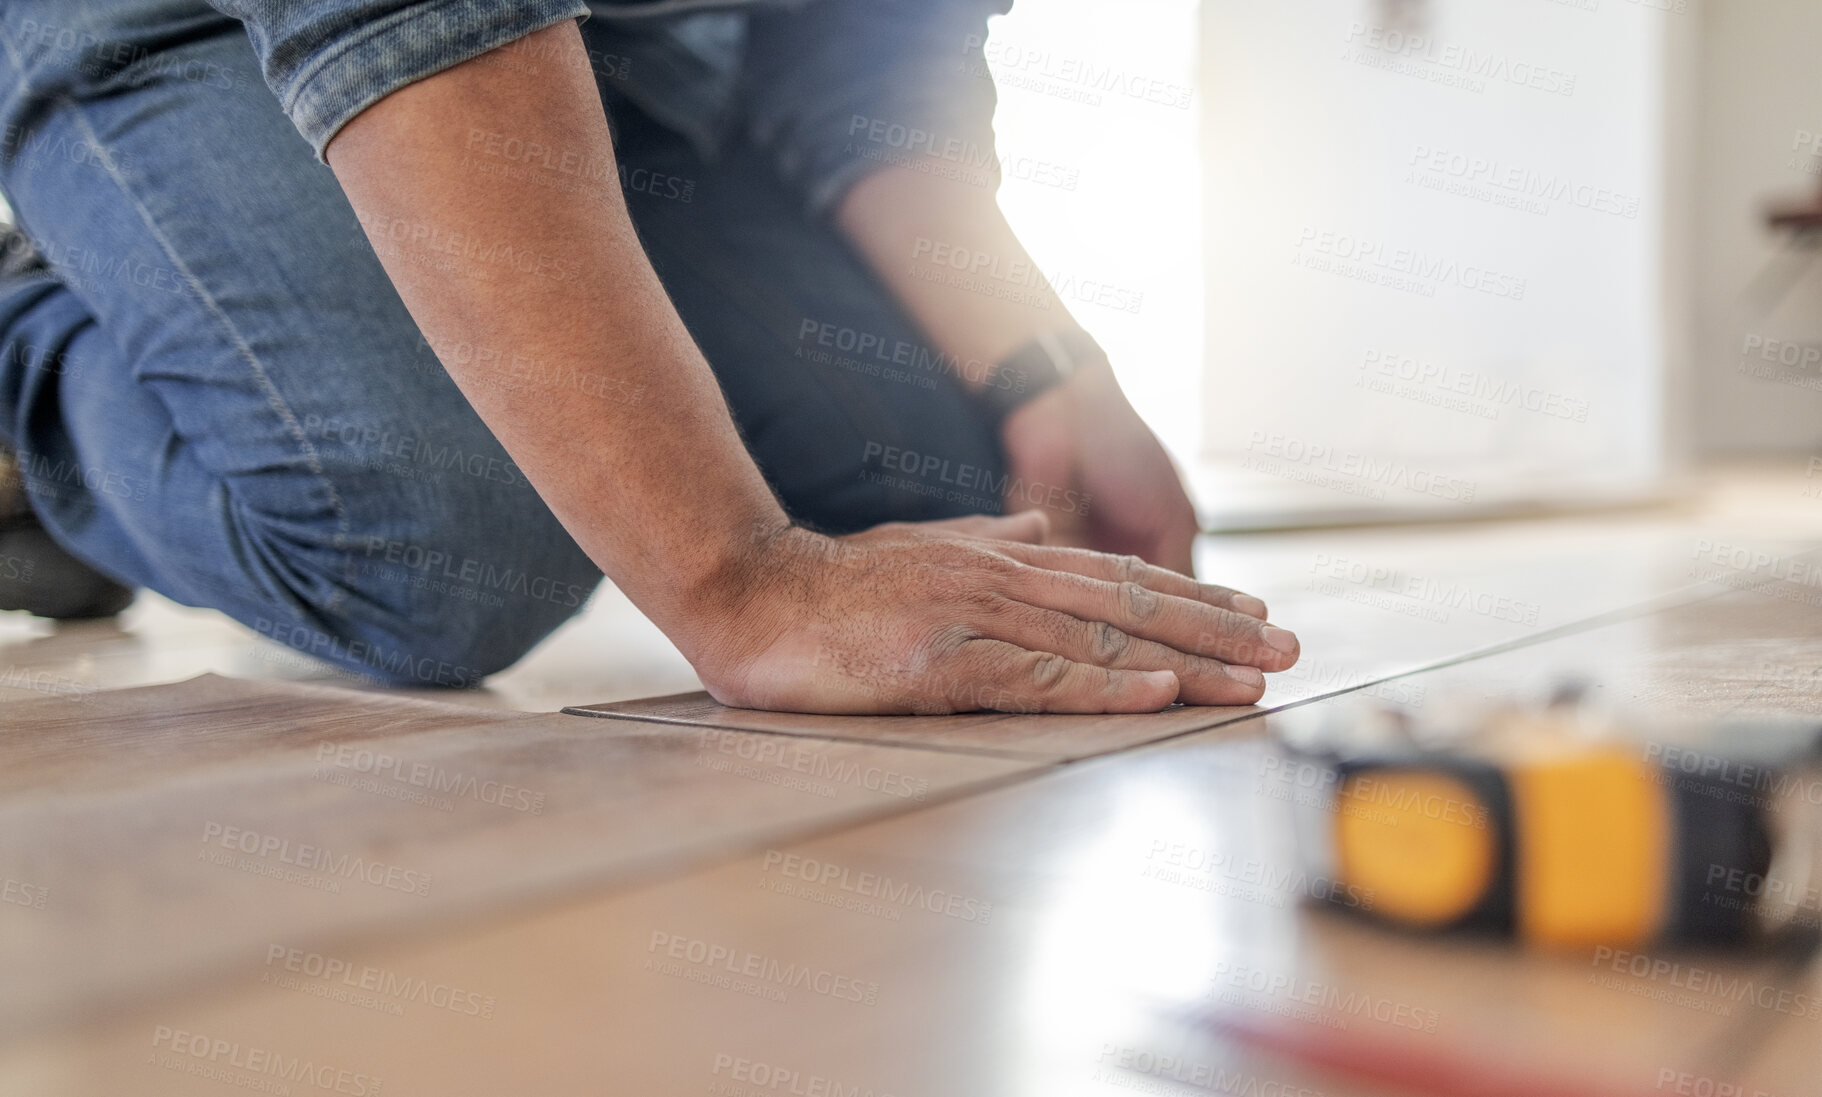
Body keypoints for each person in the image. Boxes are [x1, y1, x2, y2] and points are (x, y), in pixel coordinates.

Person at [0, 0, 1298, 713]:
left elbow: (869, 56)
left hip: (633, 71)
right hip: (205, 21)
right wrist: (737, 577)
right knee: (441, 547)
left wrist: (1042, 368)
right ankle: (40, 351)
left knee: (950, 486)